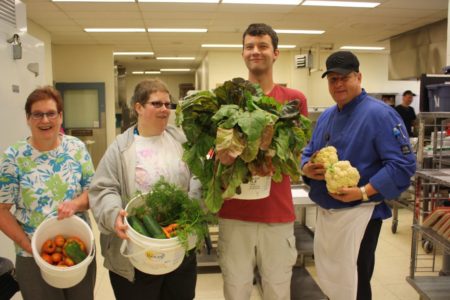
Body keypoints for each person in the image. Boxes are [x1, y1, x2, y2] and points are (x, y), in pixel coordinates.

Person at [301, 51, 416, 300]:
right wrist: (306, 169)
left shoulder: (380, 115)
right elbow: (308, 152)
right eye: (332, 79)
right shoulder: (327, 117)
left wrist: (364, 191)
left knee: (356, 282)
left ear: (359, 77)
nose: (338, 84)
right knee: (332, 280)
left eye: (345, 78)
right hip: (328, 215)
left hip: (360, 215)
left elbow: (403, 165)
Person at [217, 23, 308, 300]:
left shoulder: (294, 100)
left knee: (278, 289)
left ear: (276, 53)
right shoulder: (227, 99)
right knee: (235, 289)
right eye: (250, 46)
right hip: (234, 214)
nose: (256, 51)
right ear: (243, 53)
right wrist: (217, 155)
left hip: (276, 214)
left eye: (263, 46)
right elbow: (206, 152)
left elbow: (298, 152)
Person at [88, 79, 200, 300]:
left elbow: (199, 171)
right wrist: (113, 216)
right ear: (138, 107)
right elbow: (104, 188)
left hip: (177, 243)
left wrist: (194, 203)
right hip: (136, 249)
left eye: (168, 104)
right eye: (156, 104)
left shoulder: (180, 140)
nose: (164, 109)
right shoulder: (121, 148)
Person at [0, 86, 96, 300]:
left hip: (79, 247)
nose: (45, 120)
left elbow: (93, 191)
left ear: (60, 116)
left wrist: (76, 204)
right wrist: (29, 246)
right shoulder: (13, 157)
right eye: (37, 114)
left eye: (51, 113)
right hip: (32, 255)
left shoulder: (76, 148)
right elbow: (2, 209)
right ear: (28, 118)